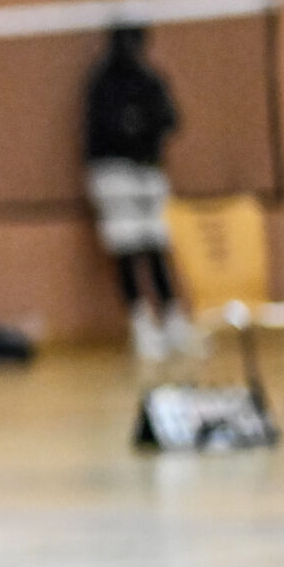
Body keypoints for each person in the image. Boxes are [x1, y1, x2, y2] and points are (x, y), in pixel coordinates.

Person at [81, 26, 194, 363]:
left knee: (157, 248)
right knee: (126, 251)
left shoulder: (151, 79)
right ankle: (142, 326)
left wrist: (142, 126)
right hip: (112, 175)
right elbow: (105, 128)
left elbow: (172, 119)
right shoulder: (101, 83)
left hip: (149, 171)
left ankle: (174, 321)